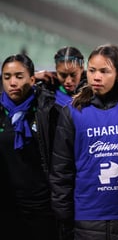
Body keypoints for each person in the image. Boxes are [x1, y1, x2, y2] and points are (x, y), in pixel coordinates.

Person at [49, 44, 118, 240]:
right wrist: (64, 216)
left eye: (104, 71)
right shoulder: (72, 111)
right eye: (92, 70)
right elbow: (61, 170)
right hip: (87, 218)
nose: (97, 77)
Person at [0, 54, 59, 239]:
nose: (12, 83)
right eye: (7, 77)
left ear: (32, 79)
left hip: (42, 208)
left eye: (19, 76)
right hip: (7, 208)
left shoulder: (47, 110)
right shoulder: (1, 112)